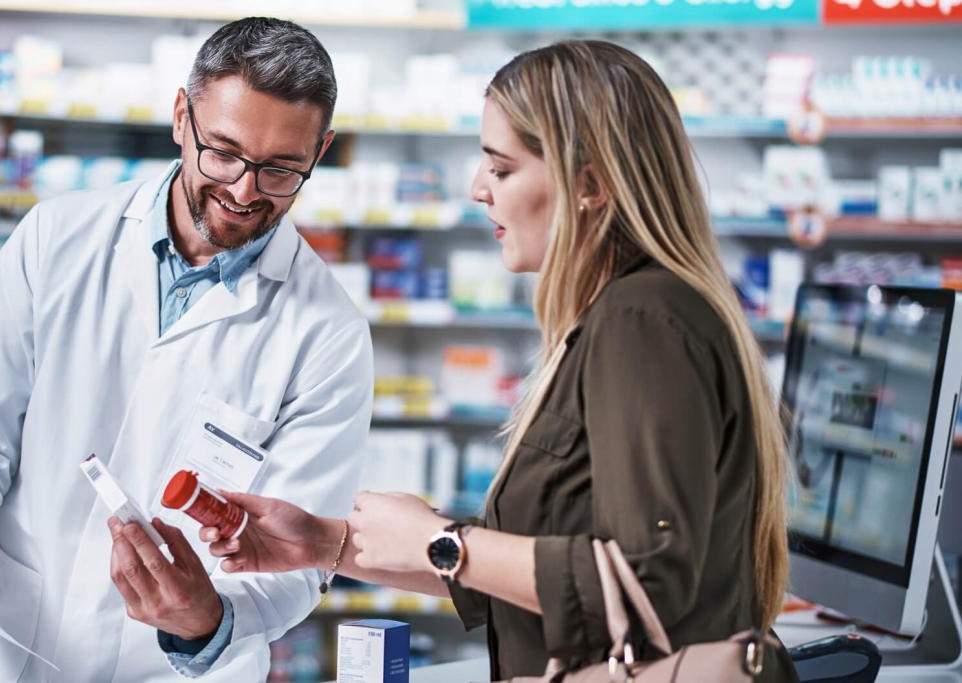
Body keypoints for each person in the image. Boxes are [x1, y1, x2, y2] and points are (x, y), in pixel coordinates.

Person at [205, 40, 799, 682]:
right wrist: (324, 544)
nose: (477, 189)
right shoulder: (617, 316)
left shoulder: (642, 319)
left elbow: (645, 585)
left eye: (502, 168)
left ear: (591, 184)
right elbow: (555, 583)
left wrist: (444, 545)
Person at [0, 17, 374, 682]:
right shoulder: (56, 238)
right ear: (181, 117)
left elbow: (300, 558)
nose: (245, 191)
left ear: (321, 150)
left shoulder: (328, 332)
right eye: (223, 152)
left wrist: (206, 619)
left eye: (281, 169)